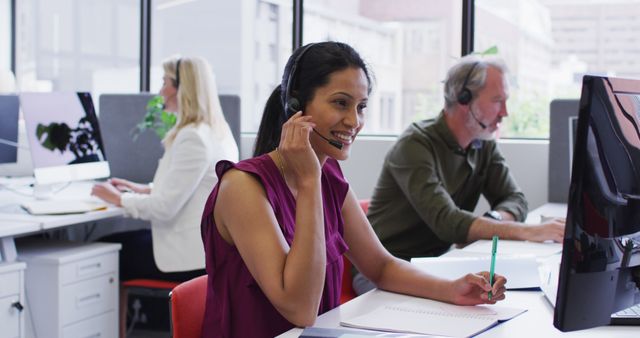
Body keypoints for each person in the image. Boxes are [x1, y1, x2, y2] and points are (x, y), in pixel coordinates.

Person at [200, 42, 507, 338]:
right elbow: (300, 309)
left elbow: (381, 266)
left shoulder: (328, 175)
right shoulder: (243, 187)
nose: (354, 121)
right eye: (340, 103)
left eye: (361, 107)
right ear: (296, 105)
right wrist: (309, 182)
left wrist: (451, 289)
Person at [352, 55, 565, 295]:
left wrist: (493, 220)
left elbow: (516, 200)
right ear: (464, 99)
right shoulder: (414, 145)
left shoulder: (483, 142)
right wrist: (529, 231)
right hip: (388, 271)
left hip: (442, 262)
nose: (504, 112)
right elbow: (449, 224)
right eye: (497, 101)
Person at [92, 56, 239, 281]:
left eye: (165, 82)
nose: (161, 92)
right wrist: (144, 189)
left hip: (185, 257)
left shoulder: (193, 138)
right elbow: (195, 188)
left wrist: (118, 199)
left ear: (183, 88)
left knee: (100, 253)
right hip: (204, 250)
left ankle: (112, 318)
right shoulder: (216, 132)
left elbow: (164, 208)